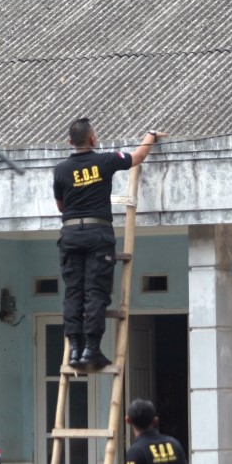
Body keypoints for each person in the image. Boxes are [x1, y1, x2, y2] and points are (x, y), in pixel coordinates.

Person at [53, 119, 166, 369]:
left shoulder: (60, 169)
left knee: (74, 292)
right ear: (93, 140)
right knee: (95, 291)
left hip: (70, 234)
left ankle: (74, 351)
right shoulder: (105, 160)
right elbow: (138, 156)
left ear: (70, 142)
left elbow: (61, 206)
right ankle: (91, 350)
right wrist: (150, 134)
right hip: (97, 234)